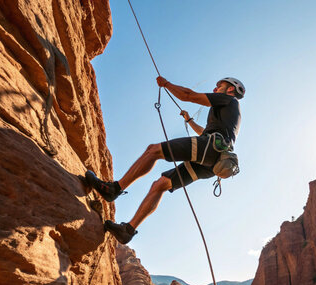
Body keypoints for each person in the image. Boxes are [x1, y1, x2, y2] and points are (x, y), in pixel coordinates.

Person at [84, 76, 245, 244]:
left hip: (210, 147)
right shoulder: (228, 113)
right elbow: (203, 132)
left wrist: (166, 84)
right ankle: (128, 230)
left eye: (219, 86)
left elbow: (188, 95)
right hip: (215, 160)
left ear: (231, 89)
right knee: (160, 185)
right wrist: (189, 120)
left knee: (153, 151)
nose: (215, 89)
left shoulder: (228, 100)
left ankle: (114, 189)